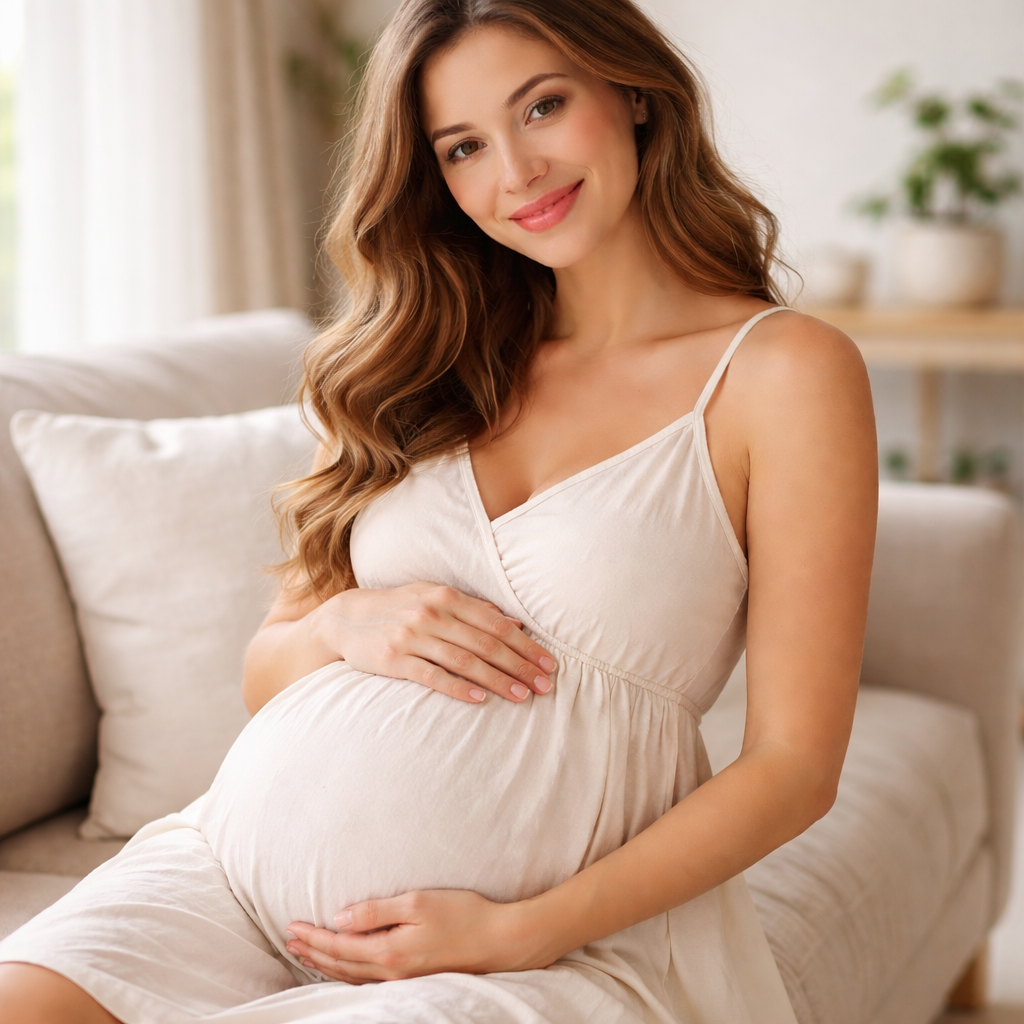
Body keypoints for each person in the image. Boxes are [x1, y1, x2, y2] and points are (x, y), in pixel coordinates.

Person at [0, 0, 877, 1021]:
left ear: (632, 93)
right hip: (220, 881)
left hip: (533, 946)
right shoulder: (415, 364)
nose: (515, 173)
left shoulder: (781, 373)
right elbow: (264, 671)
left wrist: (522, 929)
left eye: (542, 107)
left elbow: (793, 767)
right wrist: (340, 622)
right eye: (463, 147)